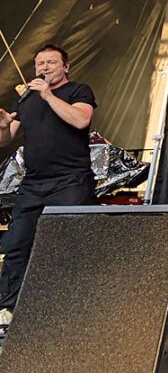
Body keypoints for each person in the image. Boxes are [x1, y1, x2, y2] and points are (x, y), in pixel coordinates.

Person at [0, 44, 97, 325]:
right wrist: (5, 125)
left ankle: (69, 308)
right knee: (17, 243)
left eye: (51, 62)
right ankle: (10, 308)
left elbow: (81, 120)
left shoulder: (79, 91)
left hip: (70, 181)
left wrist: (47, 95)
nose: (44, 67)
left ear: (66, 66)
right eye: (40, 63)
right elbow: (5, 141)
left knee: (67, 244)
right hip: (33, 184)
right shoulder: (27, 99)